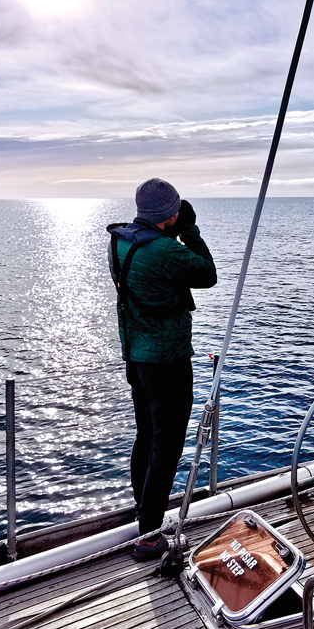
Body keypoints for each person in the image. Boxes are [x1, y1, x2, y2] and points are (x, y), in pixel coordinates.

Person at [107, 178, 217, 561]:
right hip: (167, 362)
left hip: (136, 358)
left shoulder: (120, 243)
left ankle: (143, 511)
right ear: (170, 214)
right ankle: (149, 536)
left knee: (146, 438)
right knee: (166, 447)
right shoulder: (167, 250)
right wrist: (190, 229)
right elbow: (207, 273)